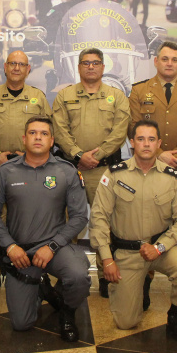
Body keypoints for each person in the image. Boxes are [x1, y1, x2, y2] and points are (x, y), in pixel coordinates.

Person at [0, 117, 91, 342]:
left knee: (78, 275)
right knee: (21, 324)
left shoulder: (66, 171)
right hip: (20, 253)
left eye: (43, 134)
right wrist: (10, 246)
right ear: (24, 139)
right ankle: (41, 286)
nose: (38, 137)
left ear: (52, 141)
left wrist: (52, 246)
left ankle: (67, 311)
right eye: (32, 133)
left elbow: (80, 217)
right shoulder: (5, 172)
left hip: (55, 249)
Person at [90, 120, 177, 342]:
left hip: (163, 248)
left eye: (151, 139)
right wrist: (107, 259)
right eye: (140, 139)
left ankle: (176, 316)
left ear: (159, 143)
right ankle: (141, 282)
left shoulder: (174, 178)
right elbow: (99, 217)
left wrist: (159, 247)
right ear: (131, 143)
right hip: (127, 252)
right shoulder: (114, 175)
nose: (146, 144)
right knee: (125, 323)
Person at [127, 42, 177, 297]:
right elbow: (133, 126)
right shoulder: (140, 91)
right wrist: (160, 154)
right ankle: (144, 277)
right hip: (148, 165)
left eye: (174, 59)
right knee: (147, 222)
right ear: (156, 61)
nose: (169, 63)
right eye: (165, 58)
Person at [0, 51, 51, 294]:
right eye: (12, 64)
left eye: (22, 64)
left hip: (31, 169)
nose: (17, 68)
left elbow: (47, 131)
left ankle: (33, 268)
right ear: (5, 67)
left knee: (32, 218)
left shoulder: (38, 97)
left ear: (29, 69)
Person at [52, 48, 131, 286]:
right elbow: (59, 130)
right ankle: (67, 273)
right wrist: (78, 155)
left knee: (103, 222)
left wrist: (96, 156)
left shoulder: (116, 96)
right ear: (78, 67)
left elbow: (120, 132)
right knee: (68, 222)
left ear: (103, 67)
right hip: (71, 170)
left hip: (103, 170)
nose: (90, 67)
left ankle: (105, 273)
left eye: (95, 63)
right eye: (85, 63)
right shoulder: (64, 96)